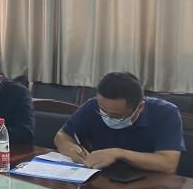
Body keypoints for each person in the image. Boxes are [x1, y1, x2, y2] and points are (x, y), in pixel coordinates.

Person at [55, 72, 185, 174]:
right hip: (103, 178)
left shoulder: (165, 113)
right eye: (102, 112)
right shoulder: (92, 105)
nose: (107, 118)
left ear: (140, 107)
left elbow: (168, 164)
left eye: (116, 116)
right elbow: (62, 135)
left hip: (149, 183)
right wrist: (71, 148)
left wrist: (119, 154)